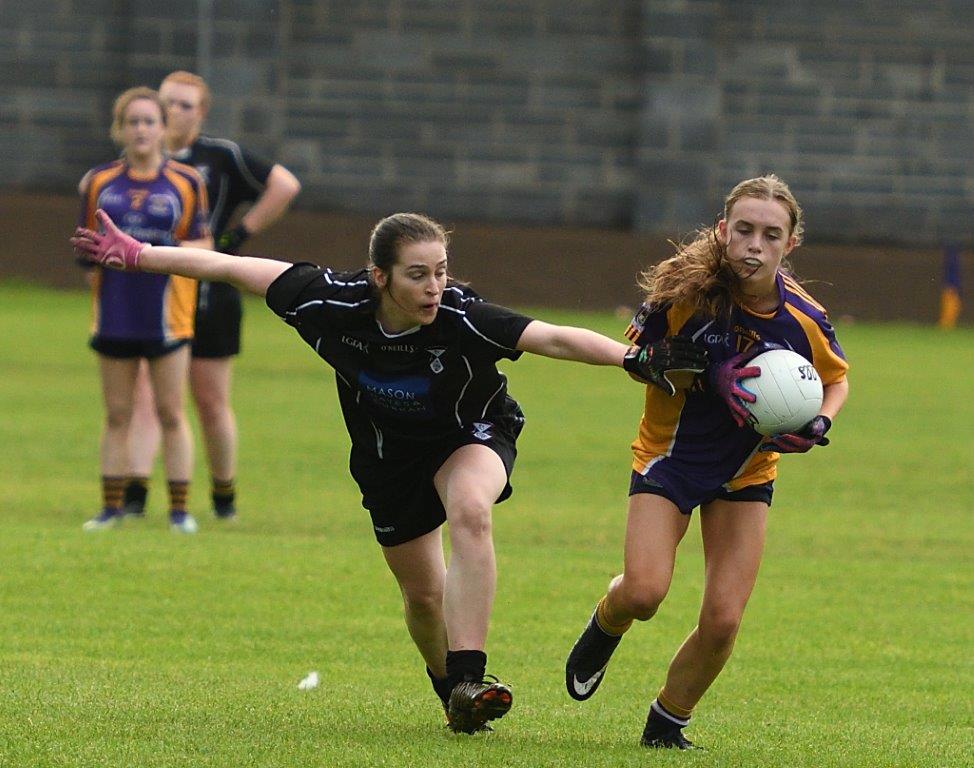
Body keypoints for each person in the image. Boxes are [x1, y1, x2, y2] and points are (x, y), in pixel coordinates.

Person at [72, 208, 706, 734]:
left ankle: (470, 674)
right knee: (423, 597)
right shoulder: (325, 300)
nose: (435, 288)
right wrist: (138, 254)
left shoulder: (459, 315)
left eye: (441, 273)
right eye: (418, 276)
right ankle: (452, 696)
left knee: (470, 509)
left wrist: (634, 359)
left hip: (471, 433)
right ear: (379, 277)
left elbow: (554, 338)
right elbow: (229, 267)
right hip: (386, 458)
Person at [563, 175, 850, 749]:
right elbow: (640, 358)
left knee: (723, 621)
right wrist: (697, 371)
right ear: (722, 231)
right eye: (743, 230)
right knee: (644, 592)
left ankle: (668, 721)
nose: (754, 245)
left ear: (790, 245)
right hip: (670, 460)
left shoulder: (805, 320)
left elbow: (836, 380)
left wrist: (819, 421)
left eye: (771, 235)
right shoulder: (682, 295)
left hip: (746, 471)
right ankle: (608, 620)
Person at [123, 70, 302, 522]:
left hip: (210, 296)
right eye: (166, 102)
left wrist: (238, 233)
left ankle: (224, 499)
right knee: (148, 395)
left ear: (201, 113)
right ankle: (134, 497)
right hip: (158, 298)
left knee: (209, 400)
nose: (171, 112)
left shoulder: (220, 157)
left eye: (183, 104)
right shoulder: (145, 157)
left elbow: (285, 184)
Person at [77, 87, 212, 533]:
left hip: (168, 315)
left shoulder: (186, 183)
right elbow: (87, 250)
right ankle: (110, 508)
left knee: (172, 413)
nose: (140, 130)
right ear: (120, 128)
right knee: (117, 414)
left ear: (162, 129)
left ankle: (179, 511)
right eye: (132, 121)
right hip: (115, 312)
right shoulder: (98, 183)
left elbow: (203, 243)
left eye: (149, 121)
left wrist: (155, 253)